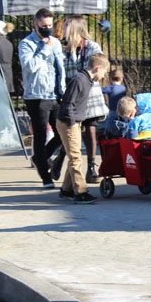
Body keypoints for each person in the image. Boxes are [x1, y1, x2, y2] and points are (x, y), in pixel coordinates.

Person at [18, 8, 66, 188]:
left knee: (62, 133)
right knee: (40, 135)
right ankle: (45, 175)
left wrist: (62, 90)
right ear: (36, 24)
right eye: (44, 26)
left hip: (55, 94)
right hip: (36, 95)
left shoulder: (56, 42)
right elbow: (30, 66)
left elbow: (59, 68)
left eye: (50, 25)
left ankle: (40, 158)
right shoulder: (26, 43)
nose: (48, 29)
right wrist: (46, 49)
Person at [59, 15, 108, 183]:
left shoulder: (91, 46)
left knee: (90, 130)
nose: (63, 29)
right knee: (71, 132)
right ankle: (60, 161)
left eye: (66, 26)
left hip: (90, 94)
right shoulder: (63, 48)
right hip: (73, 94)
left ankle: (91, 167)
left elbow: (94, 67)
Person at [55, 53, 110, 204]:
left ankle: (66, 189)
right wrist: (72, 123)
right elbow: (68, 104)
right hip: (68, 123)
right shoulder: (80, 80)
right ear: (97, 68)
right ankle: (80, 192)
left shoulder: (86, 80)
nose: (103, 76)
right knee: (76, 158)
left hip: (73, 122)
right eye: (104, 72)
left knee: (75, 155)